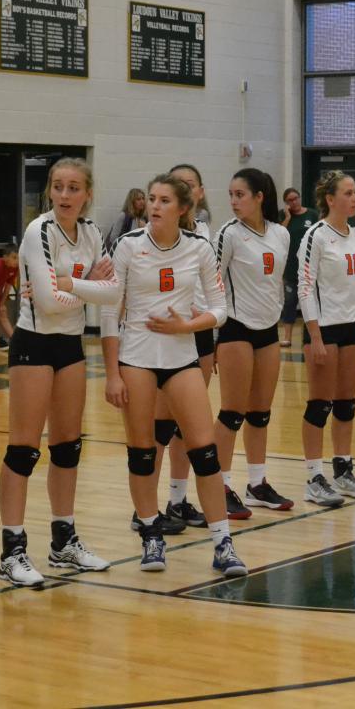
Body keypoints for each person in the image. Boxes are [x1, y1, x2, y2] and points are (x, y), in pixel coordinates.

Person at [102, 174, 246, 577]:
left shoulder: (198, 247)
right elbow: (109, 312)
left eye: (165, 200)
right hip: (137, 361)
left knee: (204, 452)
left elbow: (220, 309)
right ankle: (151, 533)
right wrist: (112, 374)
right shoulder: (128, 246)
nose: (155, 206)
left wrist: (187, 327)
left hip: (181, 359)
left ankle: (223, 543)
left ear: (183, 209)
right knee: (142, 452)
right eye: (151, 198)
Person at [0, 159, 118, 588]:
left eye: (74, 188)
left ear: (87, 193)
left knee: (68, 447)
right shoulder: (39, 231)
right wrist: (86, 284)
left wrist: (70, 283)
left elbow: (115, 293)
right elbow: (47, 303)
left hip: (70, 345)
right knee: (24, 451)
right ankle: (12, 550)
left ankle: (63, 540)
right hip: (34, 344)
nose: (65, 196)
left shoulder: (91, 233)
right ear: (49, 191)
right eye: (58, 187)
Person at [213, 169, 293, 517]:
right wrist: (213, 337)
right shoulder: (227, 234)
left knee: (260, 414)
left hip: (268, 330)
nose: (233, 201)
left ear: (260, 196)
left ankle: (257, 483)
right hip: (235, 328)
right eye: (230, 194)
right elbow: (211, 283)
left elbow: (275, 283)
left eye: (240, 194)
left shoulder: (280, 234)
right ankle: (220, 485)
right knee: (233, 413)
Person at [297, 171, 355, 507]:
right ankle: (313, 478)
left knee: (347, 404)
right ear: (330, 199)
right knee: (320, 405)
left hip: (351, 329)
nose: (354, 198)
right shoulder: (315, 236)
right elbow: (305, 287)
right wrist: (315, 336)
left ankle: (342, 470)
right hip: (324, 329)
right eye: (347, 192)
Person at [144, 163, 217, 532]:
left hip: (198, 332)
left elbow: (214, 296)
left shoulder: (204, 235)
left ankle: (177, 500)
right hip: (160, 337)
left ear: (196, 196)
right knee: (158, 425)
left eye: (189, 186)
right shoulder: (146, 238)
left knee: (188, 427)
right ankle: (146, 508)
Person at [278, 186, 315, 347]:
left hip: (308, 268)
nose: (294, 202)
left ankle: (312, 336)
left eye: (296, 198)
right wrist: (286, 216)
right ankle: (287, 337)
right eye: (290, 200)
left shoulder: (312, 214)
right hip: (290, 268)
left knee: (310, 303)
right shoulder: (284, 217)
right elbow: (278, 235)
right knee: (289, 303)